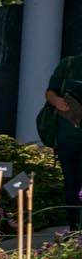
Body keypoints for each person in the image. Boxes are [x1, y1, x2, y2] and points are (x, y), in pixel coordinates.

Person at [37, 53, 82, 230]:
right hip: (68, 136)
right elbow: (50, 92)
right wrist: (57, 101)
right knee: (71, 183)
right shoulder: (69, 64)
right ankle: (74, 228)